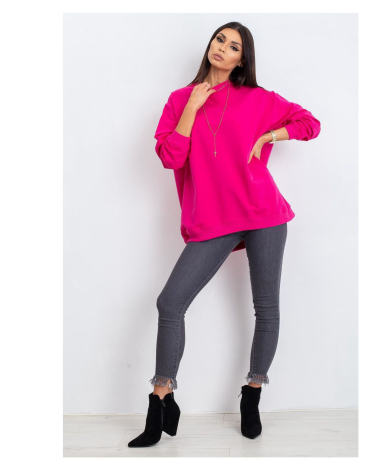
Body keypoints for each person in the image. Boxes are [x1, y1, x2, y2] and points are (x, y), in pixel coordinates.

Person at [128, 21, 321, 448]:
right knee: (170, 303)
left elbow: (310, 123)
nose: (223, 48)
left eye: (234, 46)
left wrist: (270, 135)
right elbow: (170, 157)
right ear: (210, 45)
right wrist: (192, 109)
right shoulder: (179, 99)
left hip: (264, 213)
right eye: (220, 39)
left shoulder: (258, 99)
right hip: (213, 220)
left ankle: (252, 393)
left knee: (266, 308)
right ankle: (161, 398)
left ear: (241, 59)